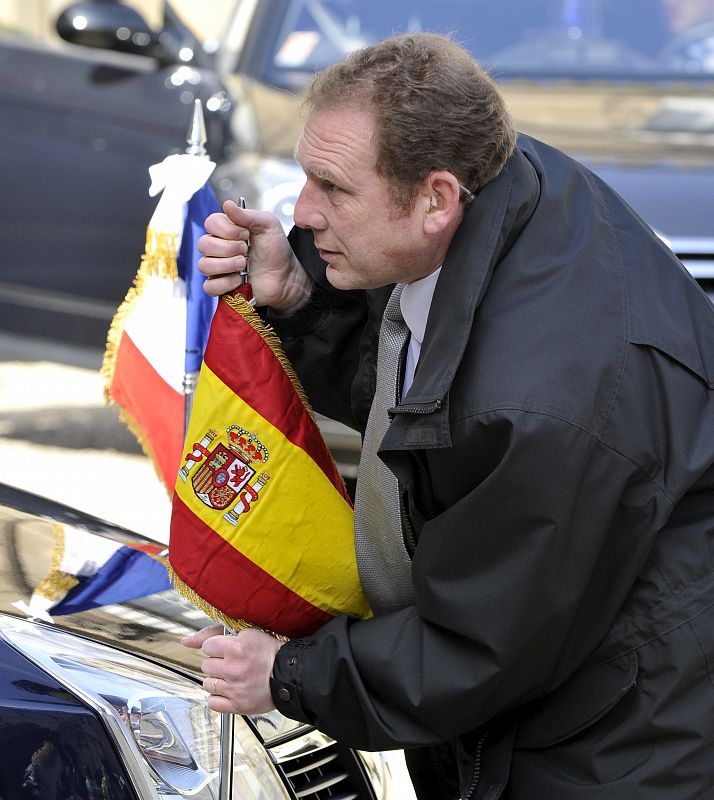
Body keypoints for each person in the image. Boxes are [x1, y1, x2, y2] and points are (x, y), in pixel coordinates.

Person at [183, 32, 714, 799]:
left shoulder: (538, 399)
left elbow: (480, 645)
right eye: (305, 177)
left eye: (332, 188)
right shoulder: (498, 179)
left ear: (435, 197)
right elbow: (427, 389)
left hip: (616, 748)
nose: (302, 212)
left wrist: (290, 674)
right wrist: (302, 301)